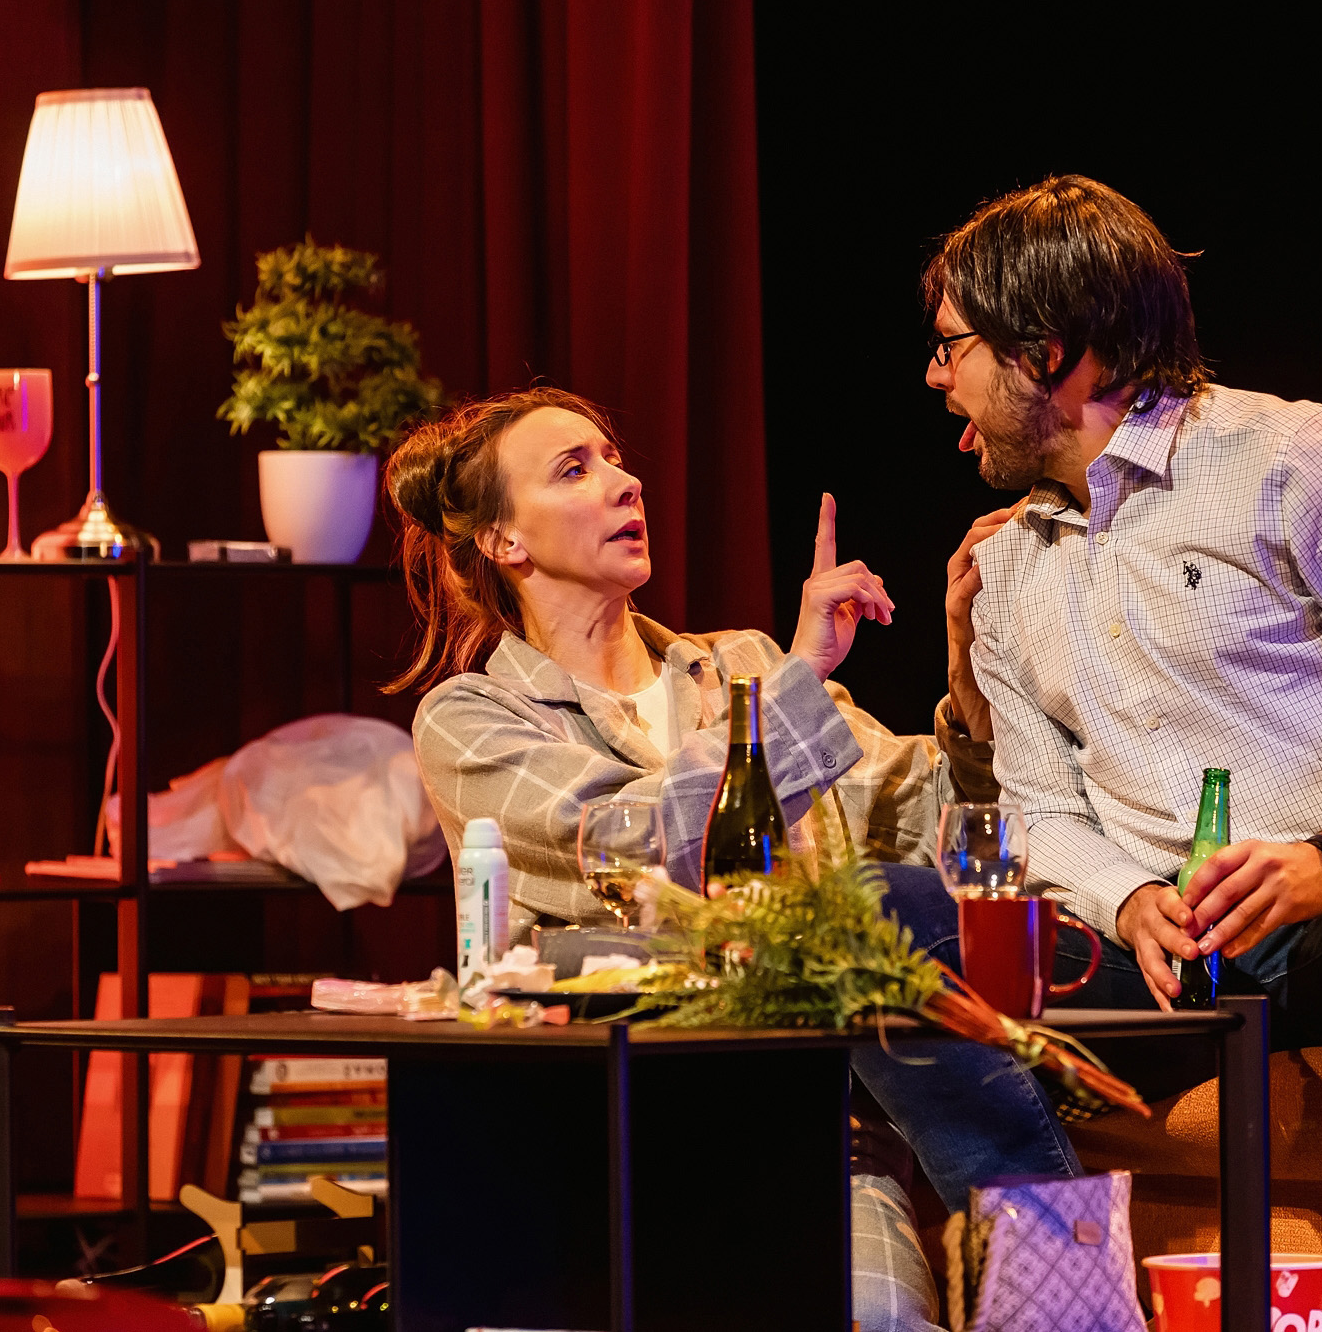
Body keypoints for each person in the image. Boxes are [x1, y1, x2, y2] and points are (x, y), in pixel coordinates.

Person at [886, 174, 1322, 1331]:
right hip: (1155, 951)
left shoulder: (1282, 459)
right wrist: (1126, 897)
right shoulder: (1006, 565)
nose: (937, 378)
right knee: (882, 918)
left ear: (1045, 351)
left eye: (951, 346)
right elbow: (1036, 808)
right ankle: (1064, 1287)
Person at [383, 384, 1015, 1332]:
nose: (624, 481)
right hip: (609, 1144)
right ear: (504, 539)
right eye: (574, 469)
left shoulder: (743, 665)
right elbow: (633, 838)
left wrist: (969, 672)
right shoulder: (472, 719)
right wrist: (798, 682)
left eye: (614, 457)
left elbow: (938, 827)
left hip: (814, 1133)